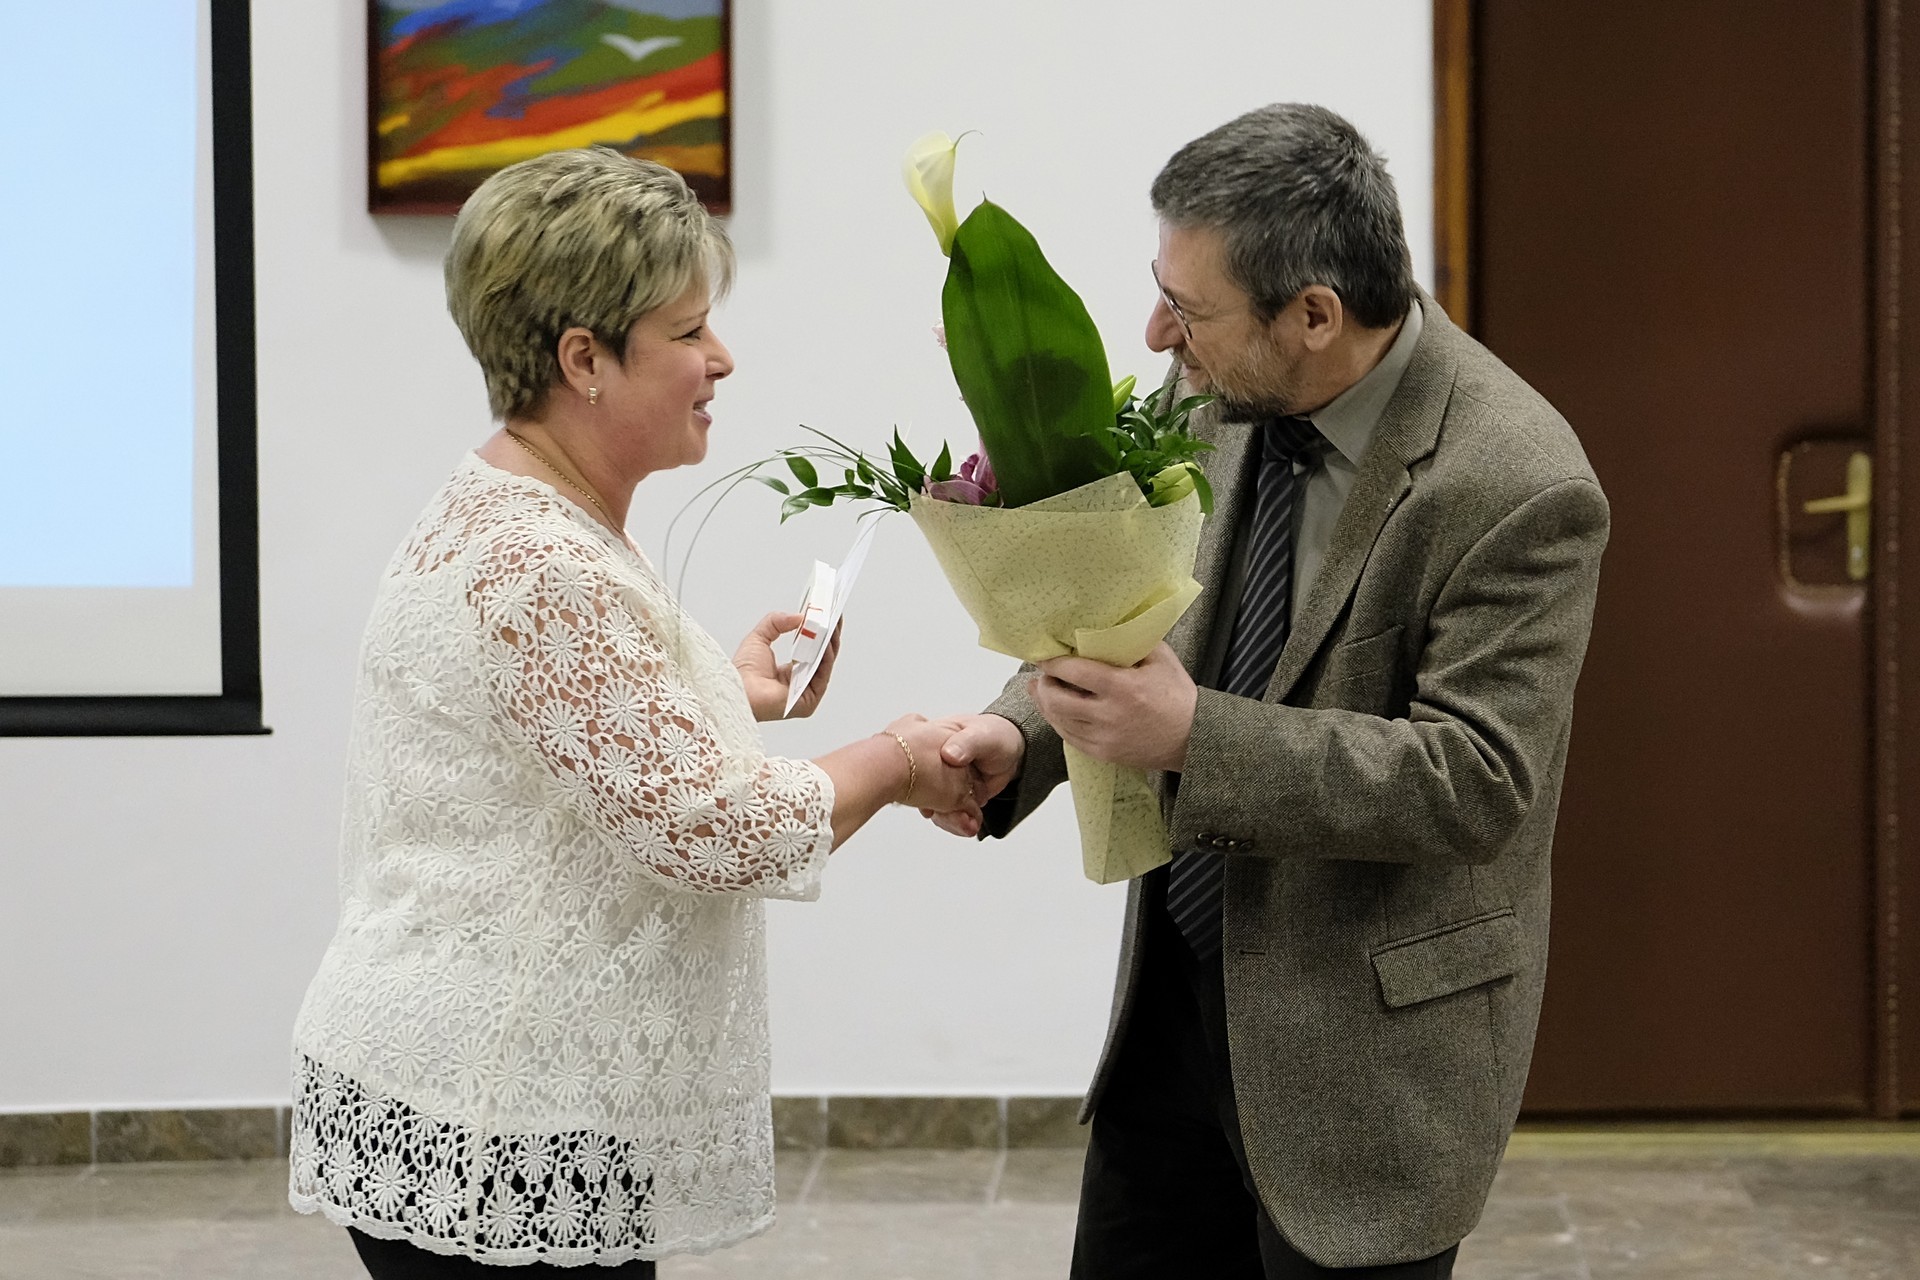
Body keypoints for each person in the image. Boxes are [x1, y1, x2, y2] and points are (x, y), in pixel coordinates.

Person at [926, 104, 1610, 1277]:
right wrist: (1020, 733)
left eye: (1187, 310)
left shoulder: (1520, 482)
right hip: (1169, 1029)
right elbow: (1131, 604)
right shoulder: (1221, 390)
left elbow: (1476, 780)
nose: (1157, 335)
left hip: (1366, 1061)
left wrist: (1197, 734)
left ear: (1314, 316)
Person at [288, 148, 974, 1277]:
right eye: (690, 331)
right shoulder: (542, 559)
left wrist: (718, 690)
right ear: (584, 359)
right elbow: (713, 827)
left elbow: (562, 742)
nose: (722, 359)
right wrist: (897, 758)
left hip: (468, 1085)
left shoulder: (518, 501)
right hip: (498, 1112)